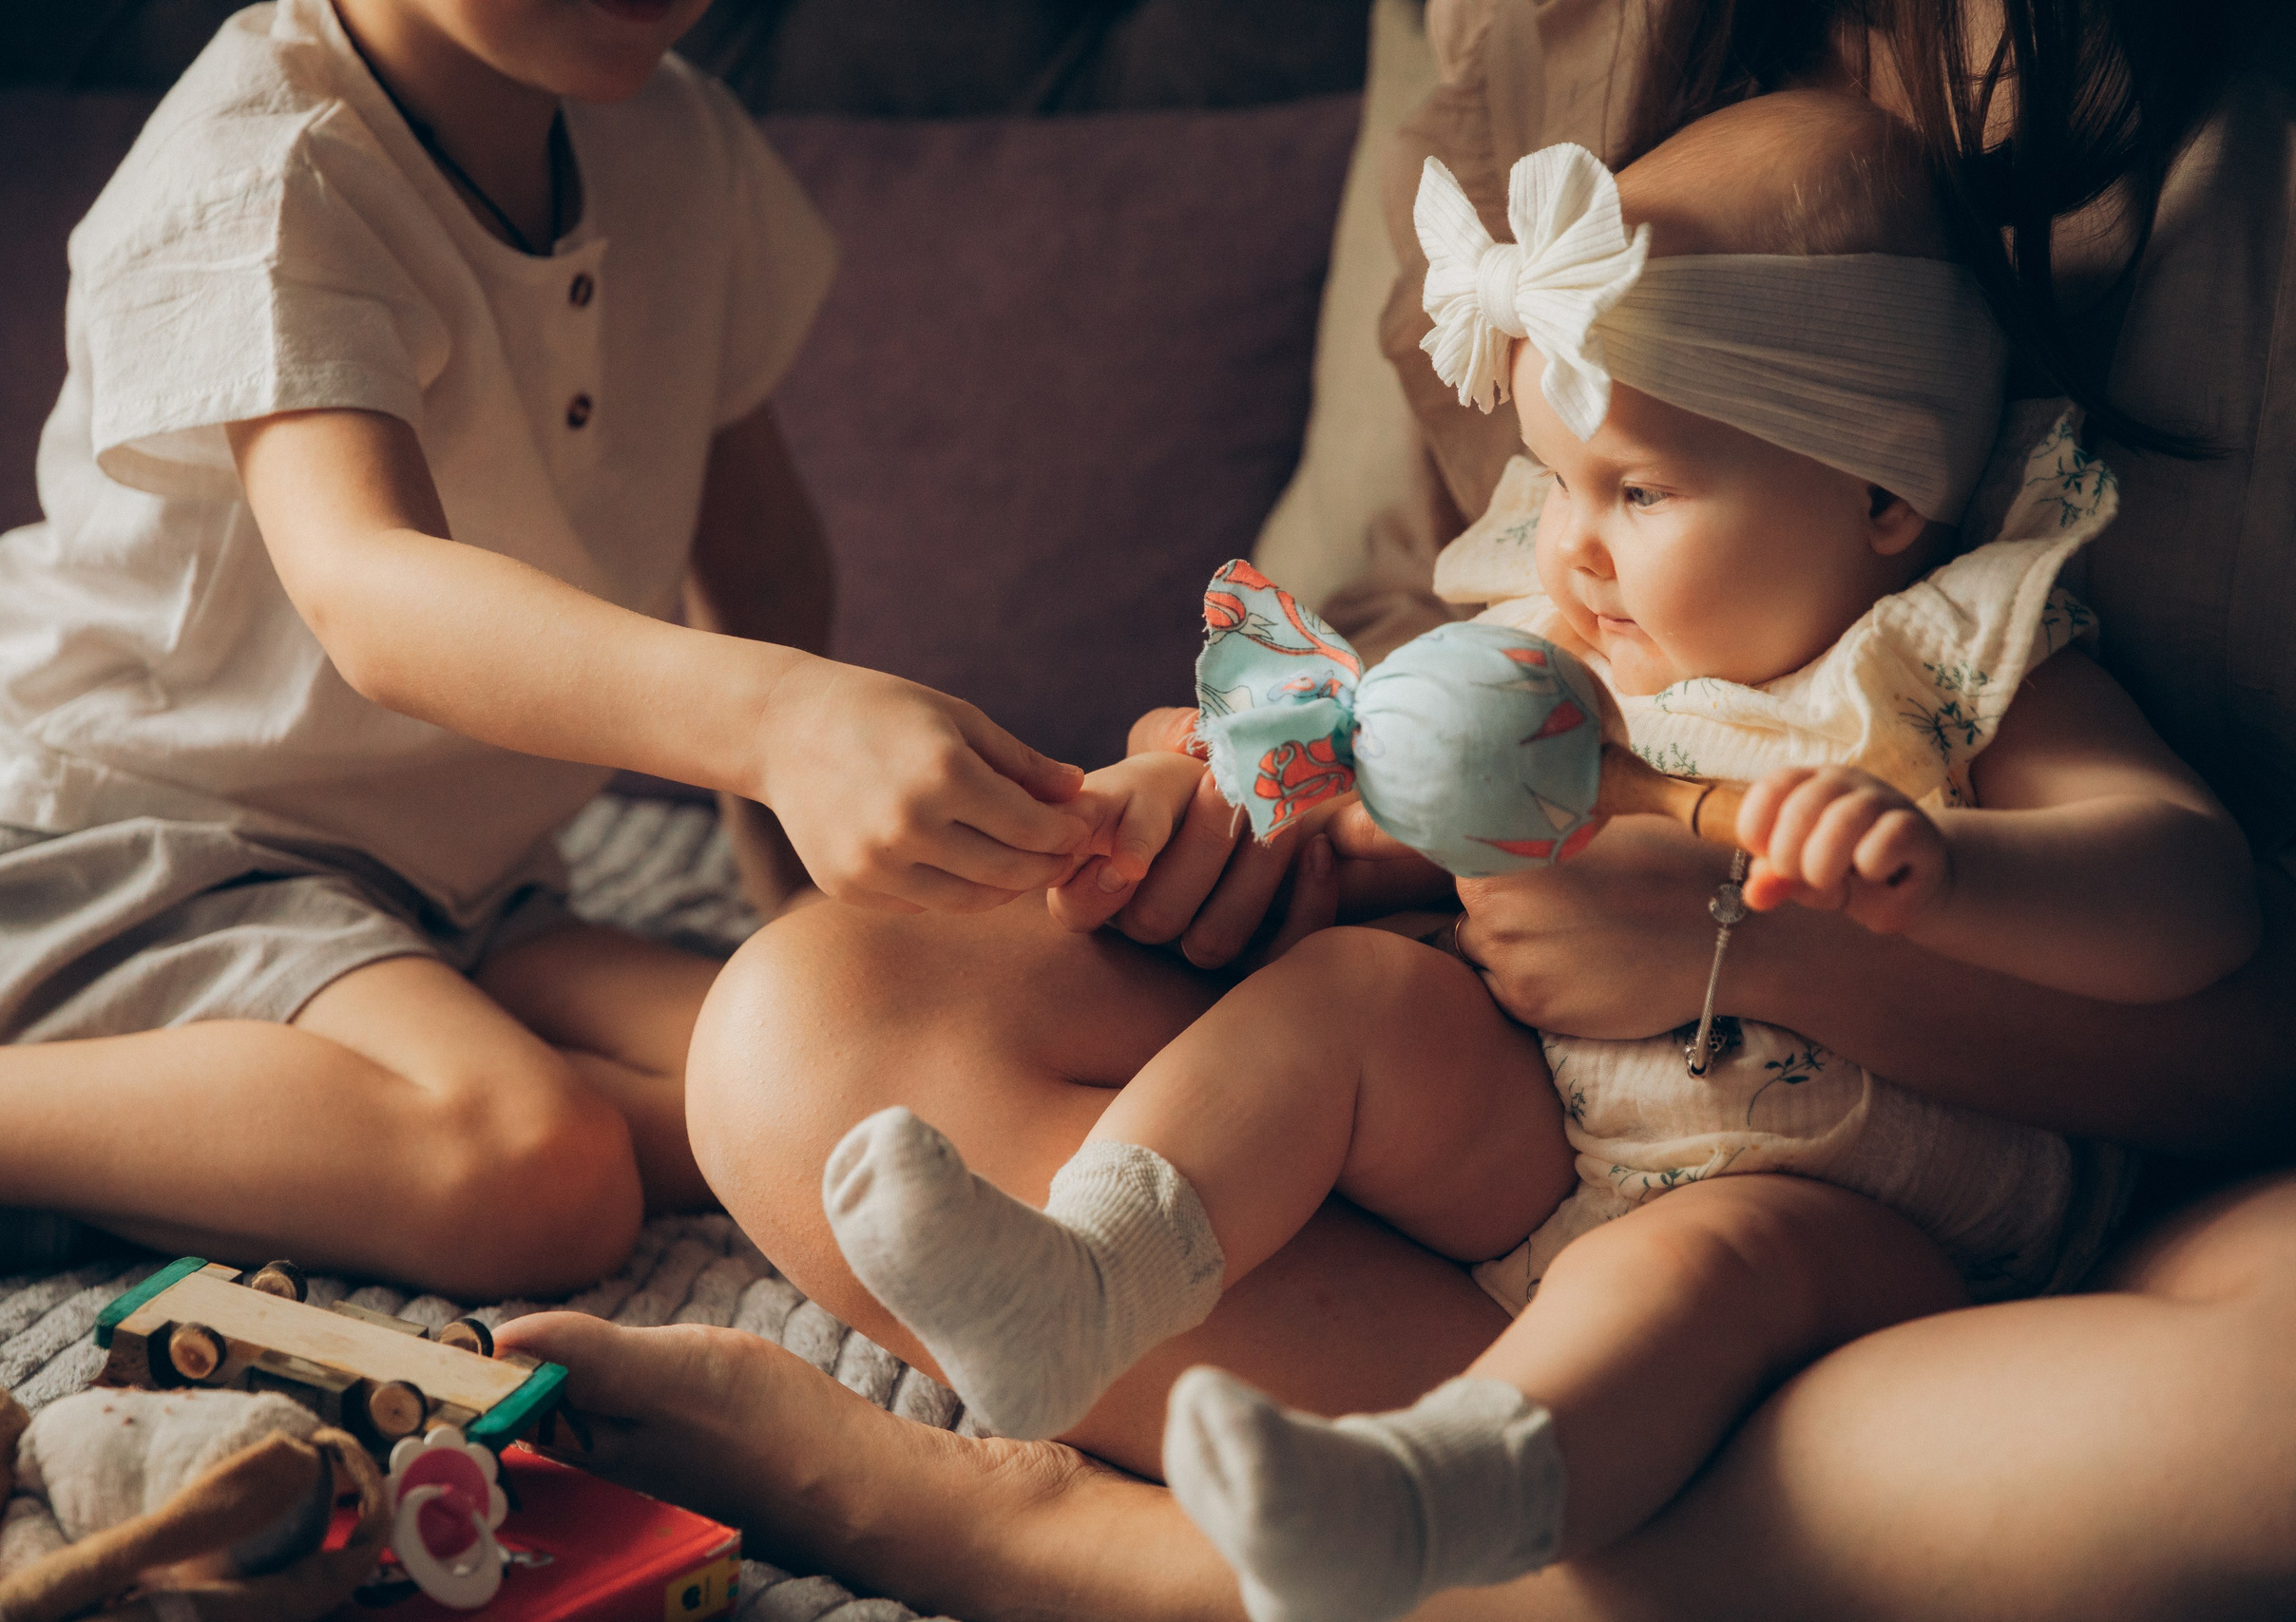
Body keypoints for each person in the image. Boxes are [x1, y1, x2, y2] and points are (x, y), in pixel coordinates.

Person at [493, 2, 2296, 1619]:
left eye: (1642, 488)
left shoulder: (1954, 648)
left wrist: (1845, 902)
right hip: (1542, 1121)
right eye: (1561, 477)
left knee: (1740, 1286)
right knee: (834, 1026)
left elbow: (2195, 901)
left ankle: (1289, 1523)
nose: (1570, 539)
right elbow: (1363, 645)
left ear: (1890, 500)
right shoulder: (1565, 562)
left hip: (1898, 1189)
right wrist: (1237, 807)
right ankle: (1090, 1280)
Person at [0, 0, 1098, 1302]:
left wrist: (789, 899)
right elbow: (370, 592)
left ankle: (204, 1166)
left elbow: (761, 561)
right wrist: (783, 719)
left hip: (451, 884)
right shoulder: (270, 163)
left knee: (847, 1074)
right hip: (125, 855)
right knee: (539, 1170)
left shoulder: (685, 149)